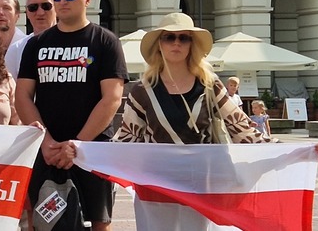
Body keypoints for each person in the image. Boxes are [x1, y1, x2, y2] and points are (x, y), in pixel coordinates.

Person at [113, 13, 296, 230]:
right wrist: (87, 151)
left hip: (199, 182)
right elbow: (127, 137)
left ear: (192, 45)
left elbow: (241, 128)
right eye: (169, 37)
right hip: (155, 182)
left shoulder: (209, 86)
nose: (177, 43)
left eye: (184, 38)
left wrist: (290, 151)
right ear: (159, 44)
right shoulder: (142, 90)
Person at [16, 0, 127, 231]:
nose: (62, 1)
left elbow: (111, 98)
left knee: (99, 222)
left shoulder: (105, 41)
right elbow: (22, 96)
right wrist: (46, 142)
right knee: (42, 221)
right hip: (48, 150)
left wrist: (76, 145)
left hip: (92, 149)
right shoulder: (36, 44)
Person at [6, 0, 57, 78]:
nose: (40, 12)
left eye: (46, 6)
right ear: (27, 12)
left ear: (56, 8)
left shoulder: (72, 44)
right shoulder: (16, 49)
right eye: (33, 8)